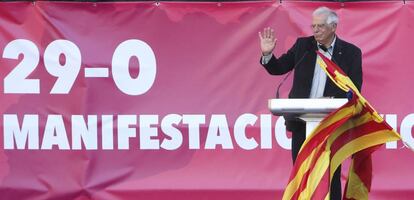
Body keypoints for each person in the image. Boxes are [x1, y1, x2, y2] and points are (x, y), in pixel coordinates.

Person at [258, 6, 362, 200]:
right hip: (301, 122)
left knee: (330, 172)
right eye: (313, 26)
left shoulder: (351, 53)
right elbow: (279, 68)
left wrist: (335, 101)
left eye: (320, 26)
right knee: (302, 172)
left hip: (332, 124)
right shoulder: (303, 46)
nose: (315, 30)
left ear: (333, 27)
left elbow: (355, 90)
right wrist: (267, 55)